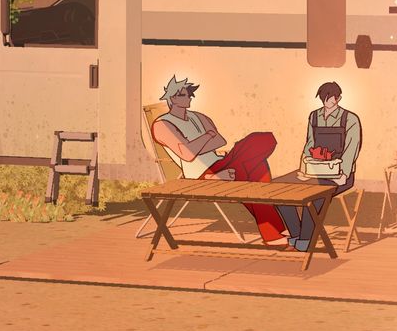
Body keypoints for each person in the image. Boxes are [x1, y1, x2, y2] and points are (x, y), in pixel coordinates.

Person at [151, 75, 289, 244]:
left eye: (189, 94)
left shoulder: (198, 116)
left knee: (263, 139)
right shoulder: (162, 125)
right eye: (184, 95)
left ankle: (273, 230)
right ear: (172, 98)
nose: (189, 98)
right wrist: (207, 136)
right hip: (200, 173)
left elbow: (220, 141)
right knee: (254, 171)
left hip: (221, 164)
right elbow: (186, 155)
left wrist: (194, 146)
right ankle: (273, 232)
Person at [279, 81, 362, 250]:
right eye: (324, 99)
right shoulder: (314, 116)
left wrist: (343, 174)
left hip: (339, 174)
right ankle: (295, 234)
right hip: (314, 170)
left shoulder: (350, 118)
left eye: (330, 99)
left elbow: (352, 148)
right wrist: (304, 168)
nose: (327, 102)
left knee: (315, 195)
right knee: (279, 189)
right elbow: (309, 144)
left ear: (338, 98)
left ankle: (306, 241)